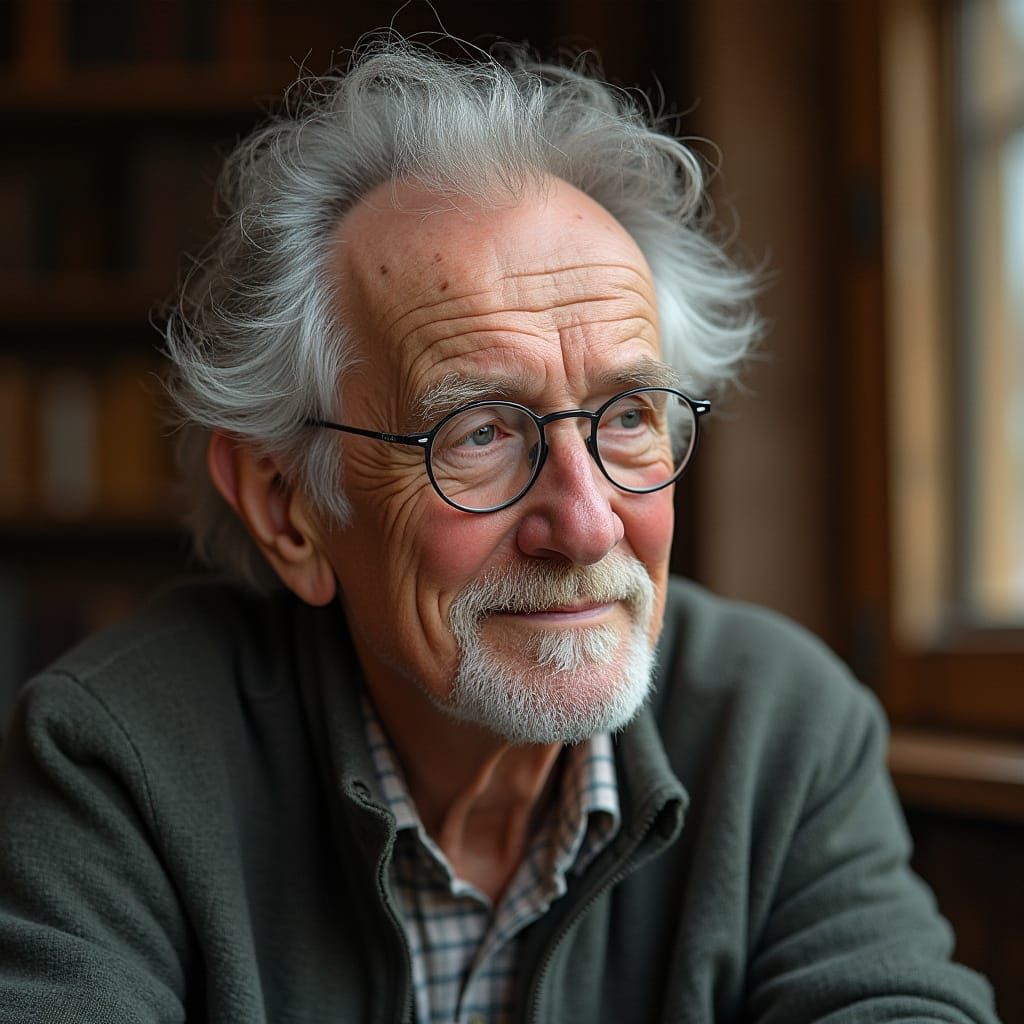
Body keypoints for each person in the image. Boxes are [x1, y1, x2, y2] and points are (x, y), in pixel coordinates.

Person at [0, 38, 999, 1024]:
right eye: (476, 432)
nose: (584, 519)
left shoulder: (781, 727)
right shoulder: (114, 761)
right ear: (287, 507)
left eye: (627, 417)